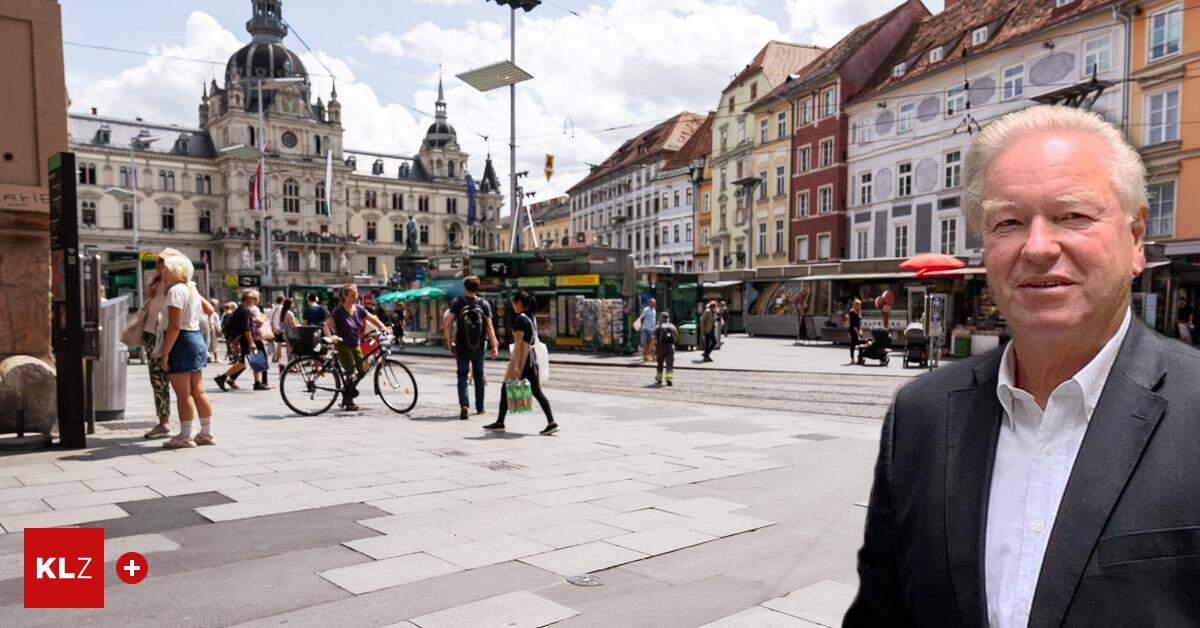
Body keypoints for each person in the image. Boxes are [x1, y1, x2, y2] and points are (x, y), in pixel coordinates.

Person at [844, 105, 1200, 626]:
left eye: (1072, 216)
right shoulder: (920, 416)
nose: (1036, 247)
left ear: (1136, 238)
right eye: (1008, 222)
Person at [155, 255, 216, 449]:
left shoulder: (175, 291)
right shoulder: (191, 288)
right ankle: (206, 433)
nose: (162, 271)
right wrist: (193, 289)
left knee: (184, 394)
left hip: (181, 341)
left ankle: (185, 436)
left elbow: (173, 326)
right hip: (195, 339)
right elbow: (210, 309)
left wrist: (165, 354)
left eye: (166, 268)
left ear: (174, 271)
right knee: (198, 392)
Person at [484, 291, 557, 435]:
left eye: (513, 303)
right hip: (530, 357)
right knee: (536, 391)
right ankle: (551, 422)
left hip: (522, 357)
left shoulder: (520, 319)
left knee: (505, 388)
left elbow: (518, 344)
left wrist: (517, 365)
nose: (512, 305)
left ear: (518, 303)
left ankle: (500, 422)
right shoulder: (531, 318)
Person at [139, 247, 183, 439]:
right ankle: (164, 422)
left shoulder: (179, 286)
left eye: (162, 262)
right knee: (157, 381)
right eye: (158, 262)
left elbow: (204, 308)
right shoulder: (156, 285)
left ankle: (188, 426)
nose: (158, 265)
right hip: (152, 336)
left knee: (181, 383)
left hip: (171, 338)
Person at [444, 276, 500, 420]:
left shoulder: (458, 302)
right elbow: (489, 325)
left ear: (465, 287)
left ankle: (464, 405)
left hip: (462, 345)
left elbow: (448, 323)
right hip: (479, 346)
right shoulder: (483, 303)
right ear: (478, 287)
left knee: (462, 375)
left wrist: (449, 341)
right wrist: (494, 345)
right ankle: (480, 407)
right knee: (479, 376)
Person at [323, 284, 386, 411]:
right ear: (345, 296)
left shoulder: (359, 308)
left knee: (362, 371)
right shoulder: (339, 310)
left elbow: (372, 318)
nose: (355, 297)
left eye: (356, 294)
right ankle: (348, 400)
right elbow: (326, 326)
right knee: (350, 373)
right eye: (352, 295)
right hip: (343, 345)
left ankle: (347, 392)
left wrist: (383, 327)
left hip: (355, 344)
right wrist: (331, 337)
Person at [215, 289, 268, 391]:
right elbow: (246, 328)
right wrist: (251, 342)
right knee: (242, 364)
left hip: (245, 339)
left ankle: (257, 382)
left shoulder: (241, 309)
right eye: (253, 298)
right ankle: (222, 377)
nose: (254, 300)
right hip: (246, 339)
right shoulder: (245, 311)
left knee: (255, 359)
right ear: (248, 299)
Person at [653, 311, 677, 386]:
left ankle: (659, 379)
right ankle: (669, 379)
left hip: (660, 348)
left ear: (661, 317)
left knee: (660, 364)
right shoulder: (672, 326)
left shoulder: (658, 326)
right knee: (669, 364)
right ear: (668, 318)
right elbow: (676, 337)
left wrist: (655, 348)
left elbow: (655, 338)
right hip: (670, 348)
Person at [275, 297, 298, 372]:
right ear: (289, 304)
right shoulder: (289, 313)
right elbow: (293, 325)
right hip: (291, 334)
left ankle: (290, 365)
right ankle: (293, 366)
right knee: (293, 350)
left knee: (288, 350)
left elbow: (281, 324)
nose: (293, 305)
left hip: (285, 333)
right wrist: (299, 325)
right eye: (292, 303)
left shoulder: (283, 312)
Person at [268, 295, 285, 363]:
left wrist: (273, 328)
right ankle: (278, 356)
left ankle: (276, 356)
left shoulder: (273, 308)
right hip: (281, 328)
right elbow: (283, 319)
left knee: (277, 343)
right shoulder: (283, 308)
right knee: (281, 343)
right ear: (282, 301)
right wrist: (281, 328)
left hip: (274, 328)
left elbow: (270, 319)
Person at [640, 297, 657, 362]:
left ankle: (646, 356)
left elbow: (653, 320)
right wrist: (642, 326)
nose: (654, 304)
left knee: (648, 343)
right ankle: (652, 356)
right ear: (649, 303)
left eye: (654, 303)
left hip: (652, 328)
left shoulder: (654, 310)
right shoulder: (646, 309)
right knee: (651, 342)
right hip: (646, 328)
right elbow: (642, 318)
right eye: (653, 303)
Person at [846, 299, 863, 365]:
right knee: (854, 344)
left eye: (860, 305)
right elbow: (853, 325)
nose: (860, 306)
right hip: (853, 330)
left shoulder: (858, 312)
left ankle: (859, 359)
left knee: (859, 344)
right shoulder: (852, 312)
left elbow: (859, 324)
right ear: (855, 305)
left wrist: (860, 331)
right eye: (859, 305)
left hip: (857, 330)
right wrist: (858, 332)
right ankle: (852, 360)